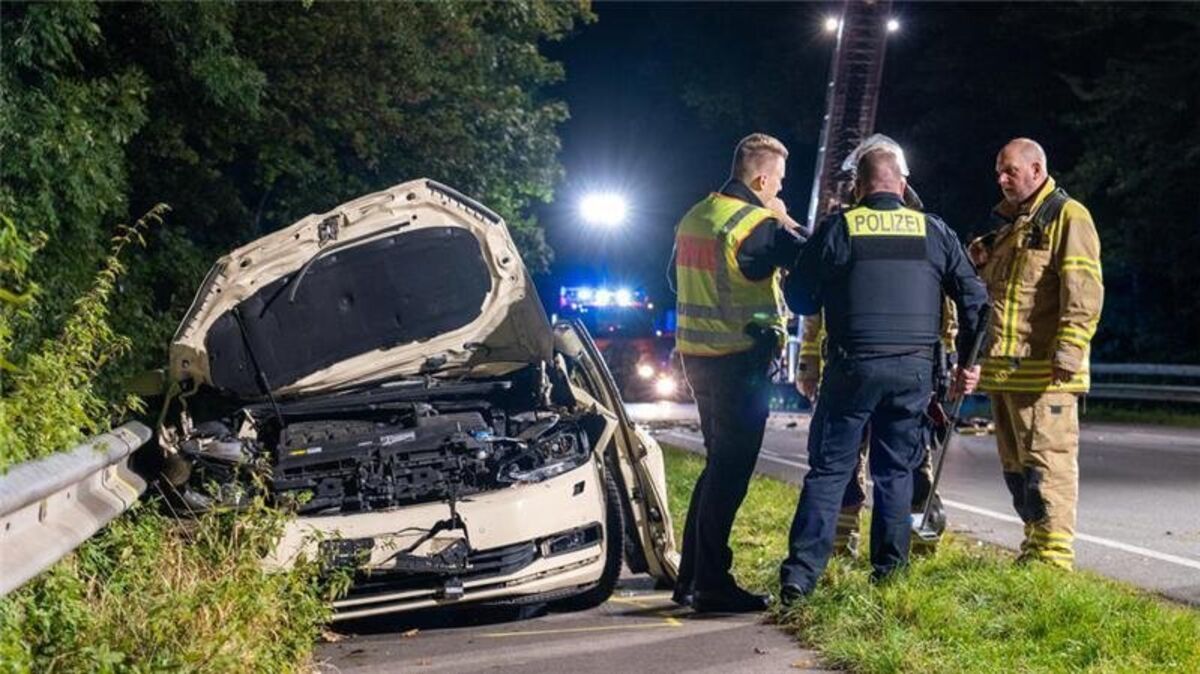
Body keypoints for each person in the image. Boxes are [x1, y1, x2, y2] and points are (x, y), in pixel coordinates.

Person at [778, 146, 988, 603]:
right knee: (895, 474)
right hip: (913, 373)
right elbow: (976, 301)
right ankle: (889, 575)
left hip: (853, 368)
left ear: (859, 185)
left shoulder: (840, 227)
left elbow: (800, 300)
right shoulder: (935, 231)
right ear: (903, 183)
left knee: (829, 471)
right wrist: (970, 363)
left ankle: (800, 578)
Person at [672, 132, 805, 613]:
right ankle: (711, 583)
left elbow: (675, 279)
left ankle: (690, 577)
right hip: (739, 361)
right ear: (763, 177)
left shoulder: (696, 215)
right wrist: (784, 219)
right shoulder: (755, 223)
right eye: (779, 182)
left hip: (697, 357)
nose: (779, 190)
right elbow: (811, 256)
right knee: (731, 472)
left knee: (717, 465)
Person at [968, 138, 1103, 570]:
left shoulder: (1067, 216)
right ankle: (1034, 548)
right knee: (1019, 471)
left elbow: (1083, 288)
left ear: (1037, 168)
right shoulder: (1011, 228)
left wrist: (1069, 349)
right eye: (998, 173)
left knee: (1049, 466)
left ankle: (1054, 560)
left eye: (1010, 171)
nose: (1002, 180)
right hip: (1006, 374)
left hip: (1047, 373)